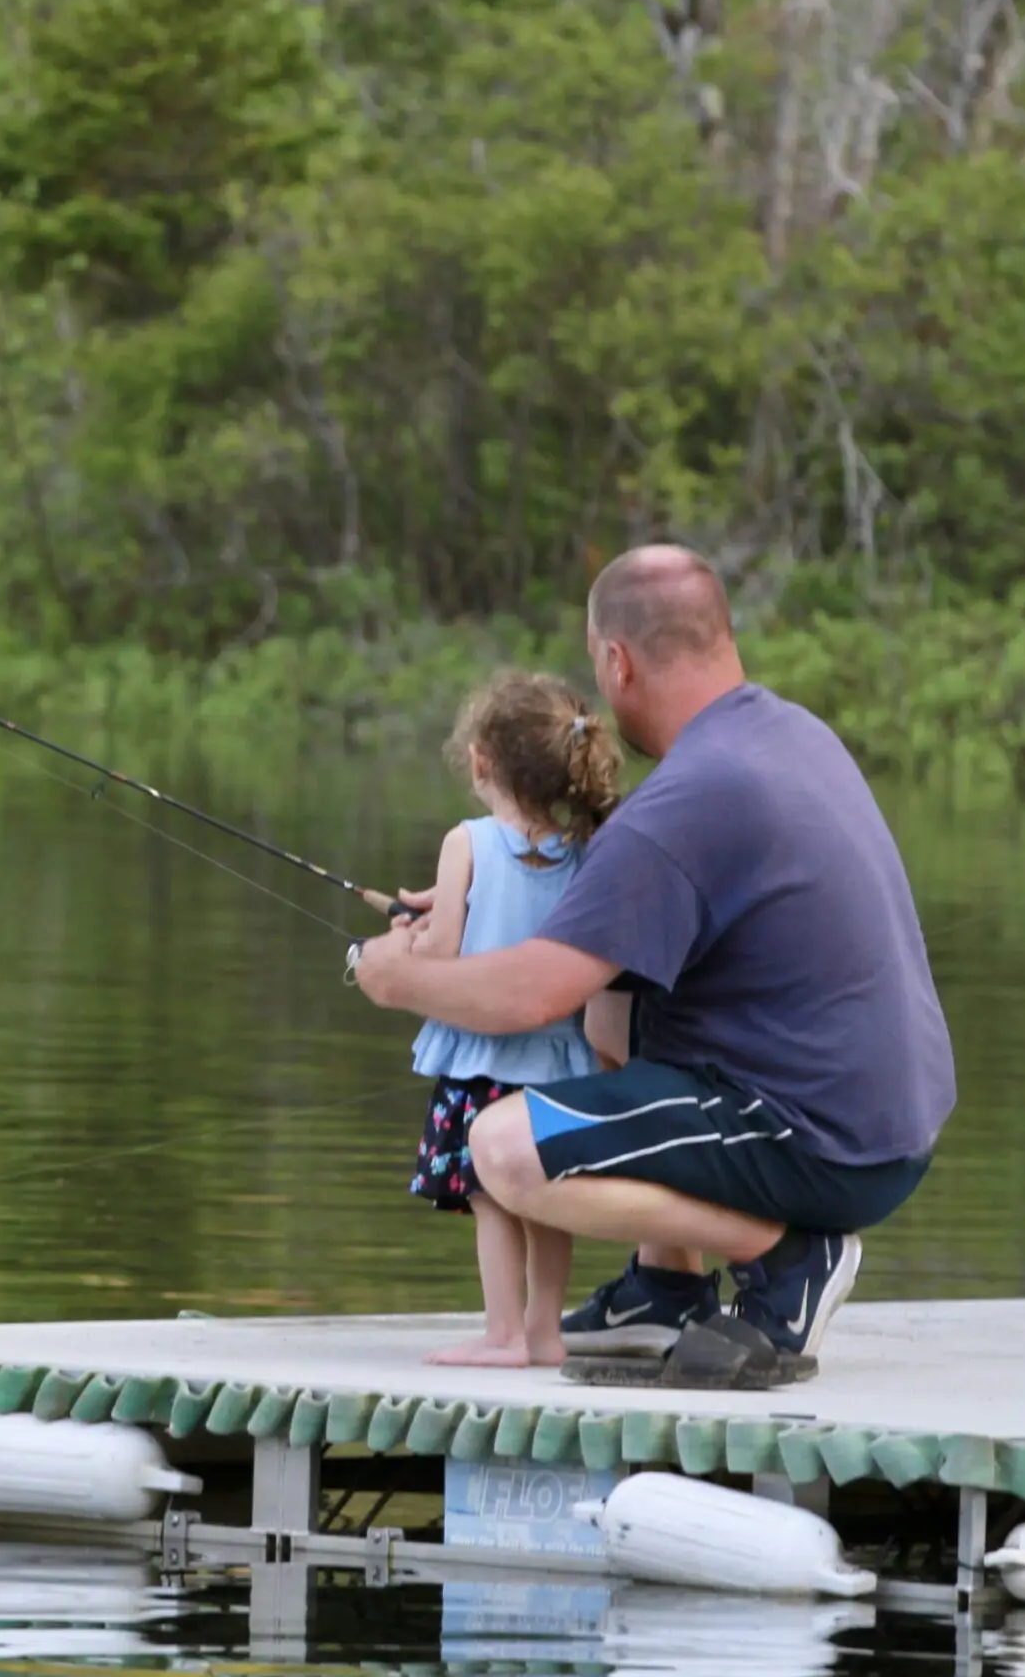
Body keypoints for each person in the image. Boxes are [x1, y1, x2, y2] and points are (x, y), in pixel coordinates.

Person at [352, 546, 955, 1392]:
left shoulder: (687, 799)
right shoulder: (787, 736)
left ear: (616, 659)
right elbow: (589, 952)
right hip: (886, 1124)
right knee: (613, 1007)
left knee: (503, 1150)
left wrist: (395, 979)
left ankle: (789, 1255)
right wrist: (471, 903)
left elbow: (530, 994)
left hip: (813, 1138)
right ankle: (665, 1288)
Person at [403, 673, 623, 1369]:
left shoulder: (464, 843)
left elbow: (439, 959)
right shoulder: (587, 852)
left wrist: (406, 944)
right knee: (545, 1195)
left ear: (479, 761)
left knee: (491, 1200)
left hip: (482, 1062)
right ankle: (543, 1334)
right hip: (559, 1064)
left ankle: (500, 1335)